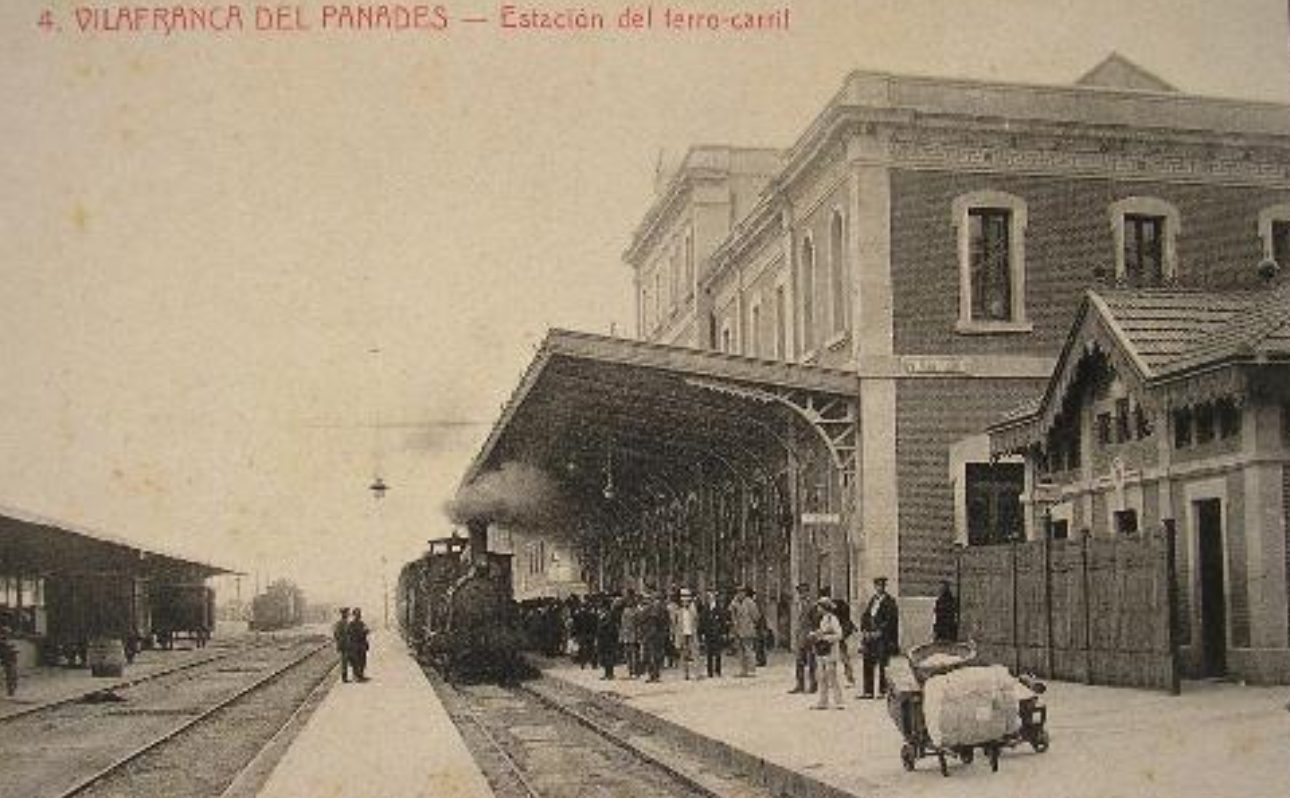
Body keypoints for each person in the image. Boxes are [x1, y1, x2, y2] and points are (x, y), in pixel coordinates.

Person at [859, 577, 899, 698]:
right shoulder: (872, 600)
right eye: (876, 586)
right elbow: (866, 616)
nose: (878, 588)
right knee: (867, 661)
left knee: (883, 663)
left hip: (883, 637)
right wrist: (865, 630)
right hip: (870, 636)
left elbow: (891, 620)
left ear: (884, 587)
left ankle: (883, 690)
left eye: (881, 586)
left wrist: (880, 631)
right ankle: (868, 691)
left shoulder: (890, 601)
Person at [810, 598, 844, 710]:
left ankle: (839, 701)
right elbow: (822, 631)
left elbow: (839, 635)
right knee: (822, 676)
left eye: (820, 606)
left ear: (824, 607)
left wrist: (824, 638)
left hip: (830, 650)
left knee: (832, 676)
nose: (818, 608)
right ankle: (823, 701)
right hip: (822, 651)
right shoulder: (824, 618)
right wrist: (816, 634)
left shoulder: (832, 618)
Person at [789, 583, 820, 694]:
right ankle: (800, 685)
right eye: (800, 592)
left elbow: (816, 621)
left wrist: (814, 634)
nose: (802, 594)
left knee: (812, 662)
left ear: (808, 592)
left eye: (804, 592)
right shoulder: (797, 605)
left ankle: (813, 685)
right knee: (799, 662)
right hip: (800, 636)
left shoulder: (813, 605)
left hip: (810, 636)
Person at [729, 586, 761, 677]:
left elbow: (756, 616)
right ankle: (743, 670)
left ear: (745, 593)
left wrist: (751, 624)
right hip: (738, 630)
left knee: (749, 650)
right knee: (740, 651)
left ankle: (751, 670)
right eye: (738, 592)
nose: (739, 594)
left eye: (741, 592)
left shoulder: (750, 603)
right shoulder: (735, 602)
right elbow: (731, 613)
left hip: (748, 629)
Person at [639, 591, 669, 682]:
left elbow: (660, 622)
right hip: (654, 635)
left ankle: (654, 675)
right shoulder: (655, 608)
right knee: (652, 655)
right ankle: (653, 675)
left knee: (654, 655)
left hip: (654, 635)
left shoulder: (657, 609)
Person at [698, 588, 729, 678]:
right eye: (708, 596)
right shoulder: (705, 608)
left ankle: (718, 670)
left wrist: (723, 632)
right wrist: (702, 633)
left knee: (718, 653)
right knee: (709, 653)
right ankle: (710, 672)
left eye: (711, 596)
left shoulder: (719, 608)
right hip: (708, 633)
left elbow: (723, 621)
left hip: (717, 633)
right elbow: (702, 621)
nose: (710, 598)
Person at [675, 588, 700, 680]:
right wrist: (676, 638)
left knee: (695, 653)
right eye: (683, 600)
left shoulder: (693, 610)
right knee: (684, 655)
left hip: (692, 634)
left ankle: (696, 673)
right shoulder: (679, 611)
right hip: (683, 634)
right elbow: (676, 625)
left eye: (687, 600)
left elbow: (697, 621)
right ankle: (686, 674)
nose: (685, 602)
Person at [833, 596, 857, 686]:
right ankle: (849, 678)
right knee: (843, 659)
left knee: (844, 659)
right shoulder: (838, 608)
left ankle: (849, 679)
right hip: (840, 637)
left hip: (840, 637)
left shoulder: (839, 613)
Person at [347, 608, 370, 682]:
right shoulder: (351, 624)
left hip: (362, 645)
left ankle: (361, 675)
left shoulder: (361, 623)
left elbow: (365, 631)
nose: (358, 616)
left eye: (359, 614)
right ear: (354, 615)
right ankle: (356, 677)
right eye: (357, 614)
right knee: (355, 662)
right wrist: (363, 632)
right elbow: (352, 635)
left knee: (362, 661)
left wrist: (365, 632)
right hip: (355, 645)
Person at [332, 607, 352, 682]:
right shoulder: (340, 623)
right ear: (343, 614)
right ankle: (344, 677)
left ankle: (346, 676)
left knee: (346, 660)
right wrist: (340, 640)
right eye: (347, 613)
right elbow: (336, 634)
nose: (347, 615)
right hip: (344, 645)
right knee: (344, 661)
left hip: (347, 644)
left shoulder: (346, 622)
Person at [0, 624, 19, 697]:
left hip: (11, 661)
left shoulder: (10, 641)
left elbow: (14, 650)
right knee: (11, 676)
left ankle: (11, 690)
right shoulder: (3, 642)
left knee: (13, 676)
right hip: (7, 661)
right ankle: (11, 690)